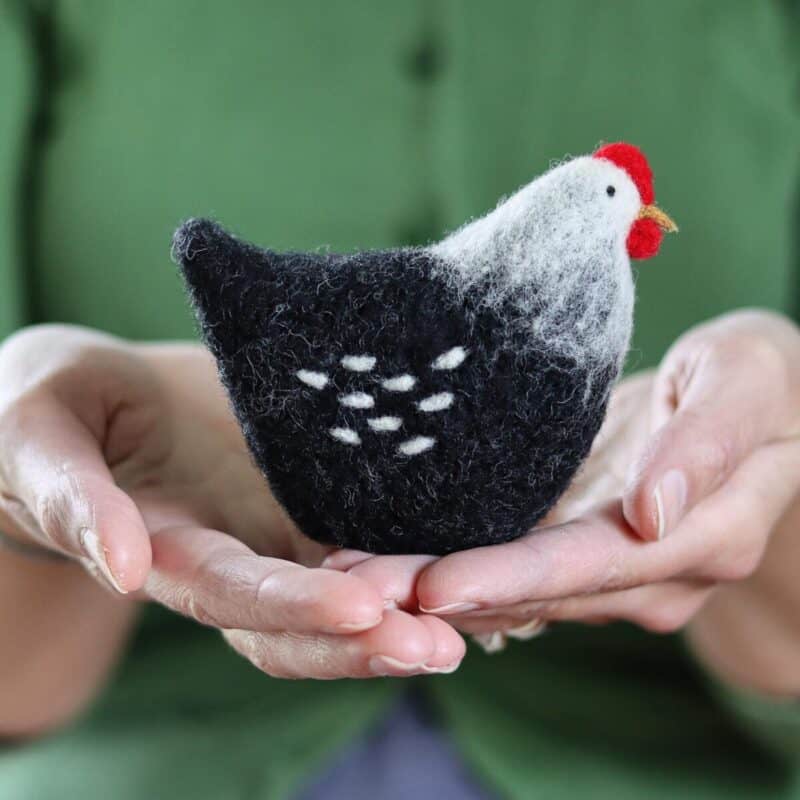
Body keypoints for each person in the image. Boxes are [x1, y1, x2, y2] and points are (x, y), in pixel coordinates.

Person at [1, 3, 798, 798]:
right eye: (625, 202)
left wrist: (777, 470)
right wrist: (29, 487)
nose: (646, 218)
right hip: (147, 760)